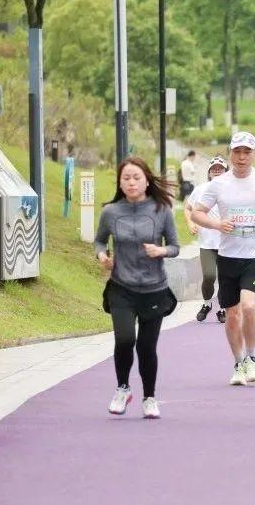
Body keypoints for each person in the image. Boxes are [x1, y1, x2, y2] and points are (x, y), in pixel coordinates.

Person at [191, 132, 255, 386]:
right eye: (237, 152)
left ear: (254, 154)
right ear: (230, 153)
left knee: (249, 306)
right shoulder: (218, 184)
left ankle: (251, 357)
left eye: (247, 152)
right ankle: (239, 362)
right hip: (228, 256)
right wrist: (217, 224)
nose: (242, 157)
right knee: (232, 314)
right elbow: (197, 213)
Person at [94, 157, 180, 419]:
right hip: (122, 287)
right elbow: (99, 241)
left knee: (146, 347)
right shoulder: (111, 212)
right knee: (124, 339)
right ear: (120, 183)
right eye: (126, 178)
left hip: (154, 289)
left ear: (146, 181)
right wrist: (102, 256)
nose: (131, 183)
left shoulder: (162, 210)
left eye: (136, 178)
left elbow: (175, 246)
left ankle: (149, 397)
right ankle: (122, 388)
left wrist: (161, 251)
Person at [184, 156, 229, 323]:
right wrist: (190, 223)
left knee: (225, 279)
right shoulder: (200, 189)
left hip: (227, 243)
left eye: (220, 169)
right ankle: (207, 304)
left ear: (226, 172)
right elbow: (188, 208)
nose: (217, 171)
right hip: (207, 243)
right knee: (209, 276)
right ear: (209, 172)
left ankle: (222, 308)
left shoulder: (232, 190)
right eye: (213, 169)